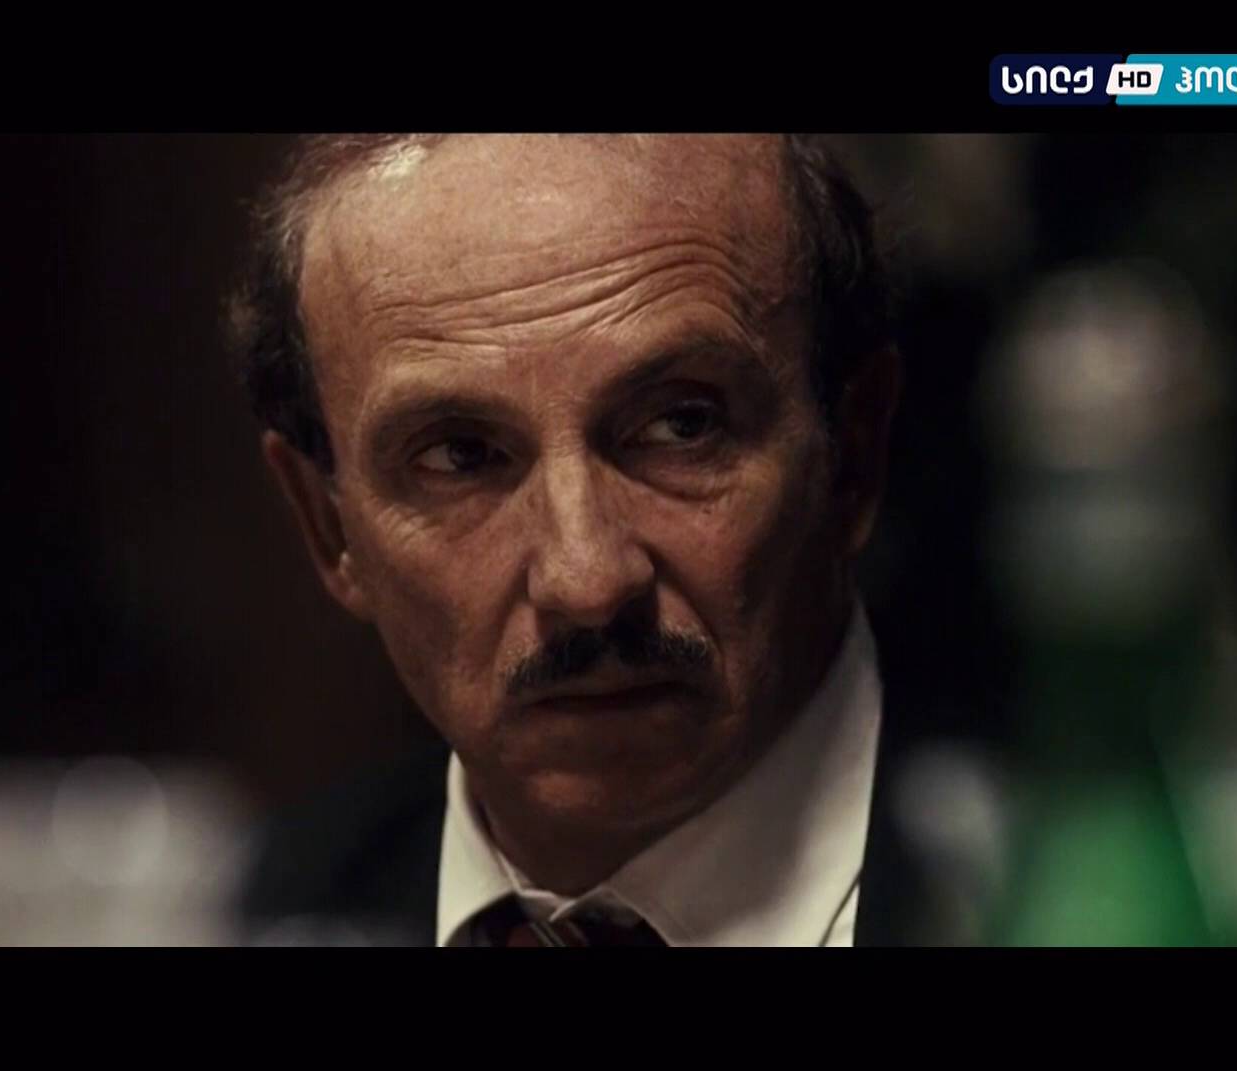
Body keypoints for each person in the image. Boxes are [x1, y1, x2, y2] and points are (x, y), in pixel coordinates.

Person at [226, 134, 956, 946]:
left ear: (853, 454)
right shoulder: (271, 904)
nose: (586, 582)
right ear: (328, 526)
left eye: (682, 425)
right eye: (461, 457)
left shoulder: (1015, 881)